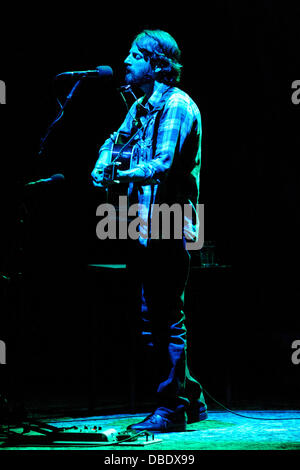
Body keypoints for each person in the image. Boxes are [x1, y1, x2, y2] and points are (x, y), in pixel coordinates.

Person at [91, 29, 207, 432]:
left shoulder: (176, 105)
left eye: (133, 54)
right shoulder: (140, 107)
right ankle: (189, 396)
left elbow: (164, 163)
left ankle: (171, 408)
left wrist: (119, 173)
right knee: (153, 314)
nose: (125, 61)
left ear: (156, 63)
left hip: (173, 220)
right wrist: (104, 160)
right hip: (147, 222)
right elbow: (114, 139)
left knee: (164, 317)